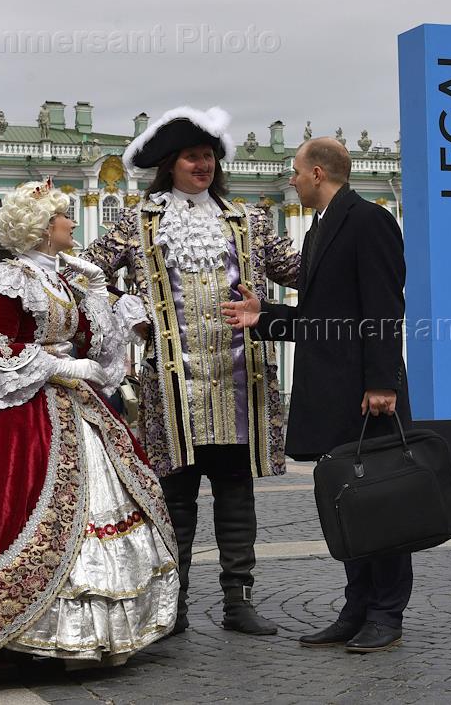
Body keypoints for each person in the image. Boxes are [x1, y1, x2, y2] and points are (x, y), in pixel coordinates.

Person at [0, 180, 178, 677]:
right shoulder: (10, 276)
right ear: (43, 228)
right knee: (18, 510)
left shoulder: (67, 279)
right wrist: (63, 366)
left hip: (77, 405)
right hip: (30, 406)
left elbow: (99, 350)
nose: (72, 223)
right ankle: (19, 635)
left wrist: (99, 296)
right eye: (64, 217)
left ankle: (85, 635)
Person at [82, 106, 301, 637]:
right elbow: (85, 273)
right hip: (170, 388)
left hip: (239, 382)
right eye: (191, 157)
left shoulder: (247, 221)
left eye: (208, 156)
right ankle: (172, 606)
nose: (202, 165)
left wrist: (349, 234)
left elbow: (301, 270)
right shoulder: (137, 224)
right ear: (169, 165)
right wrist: (124, 310)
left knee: (235, 494)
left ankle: (238, 602)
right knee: (175, 500)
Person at [222, 137, 412, 654]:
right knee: (349, 502)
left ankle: (386, 613)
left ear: (319, 174)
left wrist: (382, 381)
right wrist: (265, 317)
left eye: (296, 171)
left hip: (367, 394)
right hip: (332, 393)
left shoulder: (370, 221)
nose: (292, 179)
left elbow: (384, 307)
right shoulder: (319, 229)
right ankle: (357, 608)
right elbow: (319, 320)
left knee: (382, 504)